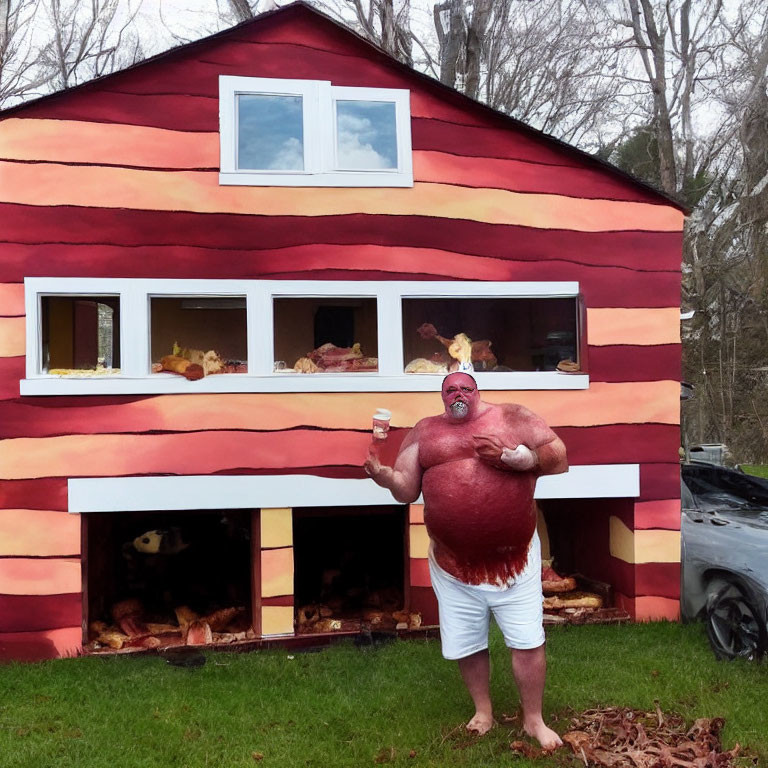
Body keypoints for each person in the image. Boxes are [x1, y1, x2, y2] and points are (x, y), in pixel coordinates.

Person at [364, 371, 567, 750]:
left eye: (465, 388)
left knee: (527, 641)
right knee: (467, 641)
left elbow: (559, 457)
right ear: (442, 396)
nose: (458, 394)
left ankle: (533, 719)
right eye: (450, 389)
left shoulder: (512, 417)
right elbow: (406, 490)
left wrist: (523, 459)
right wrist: (385, 477)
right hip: (453, 564)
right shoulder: (425, 432)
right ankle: (483, 711)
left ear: (477, 392)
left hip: (514, 561)